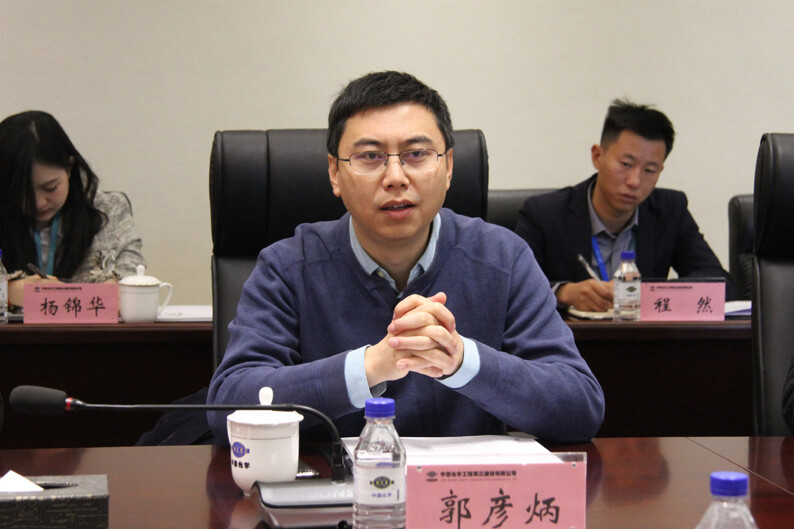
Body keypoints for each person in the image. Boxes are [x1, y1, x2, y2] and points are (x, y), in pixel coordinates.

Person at [207, 71, 604, 444]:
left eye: (416, 154)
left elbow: (580, 407)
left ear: (448, 167)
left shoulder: (504, 258)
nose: (396, 177)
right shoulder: (287, 266)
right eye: (369, 156)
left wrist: (461, 360)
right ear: (334, 173)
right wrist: (370, 367)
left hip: (463, 488)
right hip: (331, 487)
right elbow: (228, 405)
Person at [515, 99, 734, 312]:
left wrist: (643, 292)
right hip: (570, 335)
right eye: (626, 164)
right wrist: (563, 293)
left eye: (649, 170)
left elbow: (719, 283)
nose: (634, 181)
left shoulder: (670, 210)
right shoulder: (544, 214)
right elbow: (512, 289)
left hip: (644, 336)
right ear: (597, 156)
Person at [0, 110, 145, 307]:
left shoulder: (110, 209)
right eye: (23, 193)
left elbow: (132, 280)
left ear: (69, 167)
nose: (39, 203)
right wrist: (9, 292)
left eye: (50, 188)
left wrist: (119, 289)